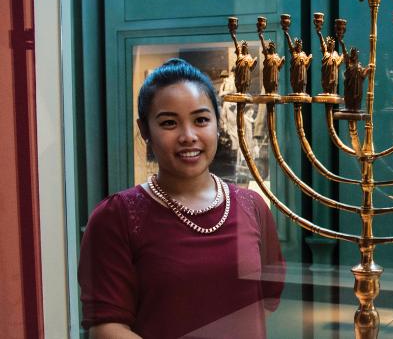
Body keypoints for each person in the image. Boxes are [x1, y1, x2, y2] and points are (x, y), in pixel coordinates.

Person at [79, 59, 285, 339]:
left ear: (217, 122)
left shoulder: (253, 206)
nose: (188, 136)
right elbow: (106, 328)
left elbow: (267, 300)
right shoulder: (116, 217)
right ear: (144, 130)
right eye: (169, 123)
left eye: (201, 120)